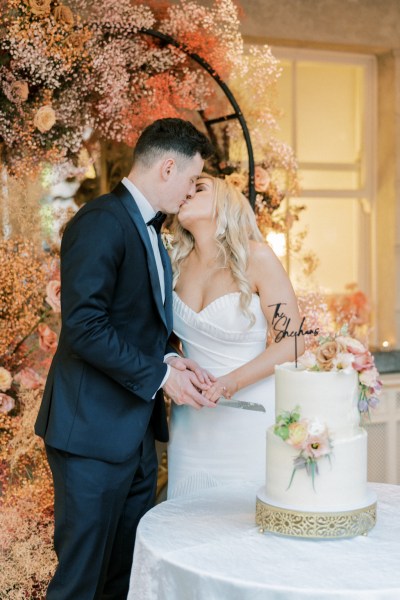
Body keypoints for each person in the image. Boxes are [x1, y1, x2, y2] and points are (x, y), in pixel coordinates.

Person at [34, 118, 217, 600]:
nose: (190, 191)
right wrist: (159, 375)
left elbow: (133, 322)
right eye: (191, 179)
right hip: (90, 438)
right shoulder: (100, 220)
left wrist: (170, 358)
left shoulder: (149, 229)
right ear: (168, 166)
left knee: (121, 580)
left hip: (133, 439)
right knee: (80, 584)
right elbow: (85, 327)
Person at [167, 174, 304, 499]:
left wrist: (231, 382)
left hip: (250, 419)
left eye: (199, 187)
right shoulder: (172, 263)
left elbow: (295, 342)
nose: (188, 191)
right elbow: (162, 337)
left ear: (225, 202)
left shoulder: (256, 257)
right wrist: (175, 368)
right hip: (192, 425)